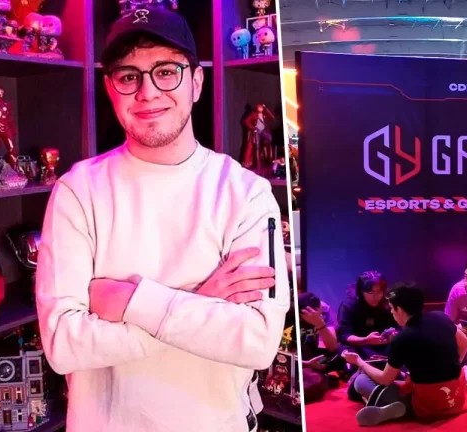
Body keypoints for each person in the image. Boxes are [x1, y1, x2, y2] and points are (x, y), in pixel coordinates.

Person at [35, 8, 290, 432]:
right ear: (110, 88)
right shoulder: (77, 191)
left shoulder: (246, 193)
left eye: (166, 71)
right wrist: (201, 298)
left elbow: (257, 342)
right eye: (128, 76)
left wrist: (132, 303)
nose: (148, 92)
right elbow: (63, 345)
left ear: (197, 82)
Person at [341, 282, 467, 426]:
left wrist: (359, 361)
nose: (392, 313)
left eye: (392, 309)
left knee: (361, 381)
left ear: (399, 309)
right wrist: (452, 366)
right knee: (400, 374)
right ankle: (397, 405)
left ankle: (403, 407)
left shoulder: (402, 338)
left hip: (428, 400)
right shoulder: (441, 317)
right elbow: (465, 343)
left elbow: (385, 379)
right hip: (457, 392)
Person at [337, 271, 399, 360]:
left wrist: (394, 335)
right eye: (371, 292)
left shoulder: (387, 305)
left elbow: (397, 327)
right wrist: (366, 340)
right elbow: (345, 336)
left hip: (384, 350)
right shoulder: (349, 306)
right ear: (361, 292)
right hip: (359, 349)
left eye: (379, 291)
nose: (376, 296)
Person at [298, 291, 342, 403]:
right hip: (300, 360)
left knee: (341, 353)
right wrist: (306, 364)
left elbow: (333, 347)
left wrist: (320, 323)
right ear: (302, 314)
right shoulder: (291, 315)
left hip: (314, 356)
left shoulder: (324, 310)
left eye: (318, 311)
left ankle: (316, 376)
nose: (318, 314)